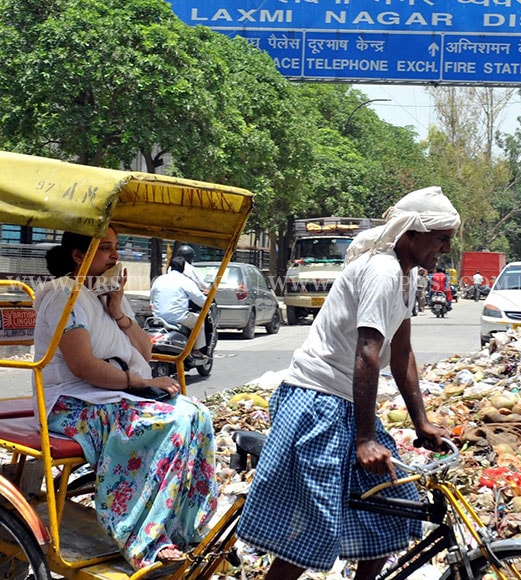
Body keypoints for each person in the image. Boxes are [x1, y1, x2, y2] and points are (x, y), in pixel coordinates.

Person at [237, 186, 460, 580]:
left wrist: (420, 422)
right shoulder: (382, 271)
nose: (443, 250)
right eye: (440, 239)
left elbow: (402, 350)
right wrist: (364, 439)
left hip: (345, 405)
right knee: (311, 530)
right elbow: (368, 352)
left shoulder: (407, 278)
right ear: (410, 233)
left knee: (395, 506)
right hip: (315, 402)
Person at [32, 227, 217, 569]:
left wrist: (118, 311)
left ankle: (181, 526)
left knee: (196, 413)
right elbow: (83, 366)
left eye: (116, 247)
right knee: (172, 422)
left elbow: (145, 350)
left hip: (110, 395)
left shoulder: (104, 293)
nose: (115, 255)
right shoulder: (63, 296)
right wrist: (139, 382)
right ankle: (143, 534)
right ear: (78, 255)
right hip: (69, 403)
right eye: (106, 249)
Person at [150, 255, 208, 357]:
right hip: (178, 317)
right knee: (199, 321)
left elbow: (152, 297)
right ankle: (196, 350)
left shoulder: (159, 279)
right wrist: (207, 302)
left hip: (157, 317)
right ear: (183, 269)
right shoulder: (185, 281)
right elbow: (201, 300)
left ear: (170, 267)